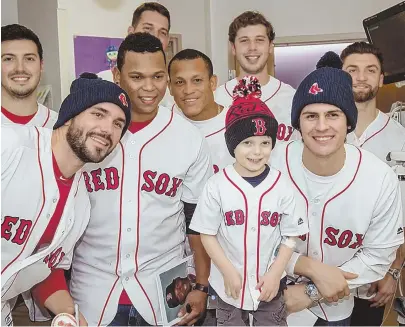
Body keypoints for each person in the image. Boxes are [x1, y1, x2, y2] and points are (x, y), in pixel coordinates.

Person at [39, 32, 212, 327]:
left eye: (158, 76)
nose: (149, 87)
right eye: (136, 76)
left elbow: (198, 221)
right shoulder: (90, 135)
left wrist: (201, 285)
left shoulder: (189, 138)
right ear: (117, 75)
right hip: (92, 291)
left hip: (162, 291)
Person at [269, 63, 404, 326]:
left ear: (348, 121)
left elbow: (377, 258)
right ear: (297, 121)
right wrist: (306, 266)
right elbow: (246, 235)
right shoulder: (271, 165)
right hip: (267, 293)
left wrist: (313, 291)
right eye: (310, 115)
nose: (321, 126)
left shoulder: (378, 178)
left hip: (334, 306)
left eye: (332, 115)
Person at [1, 73, 132, 326]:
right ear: (71, 115)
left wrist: (71, 316)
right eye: (98, 113)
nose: (107, 129)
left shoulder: (80, 201)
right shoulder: (9, 146)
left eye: (118, 124)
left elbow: (45, 271)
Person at [190, 76, 309, 326]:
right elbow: (207, 235)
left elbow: (291, 236)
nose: (257, 151)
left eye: (265, 143)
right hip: (227, 287)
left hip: (270, 287)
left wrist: (277, 272)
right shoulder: (216, 186)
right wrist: (228, 271)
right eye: (247, 143)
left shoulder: (282, 185)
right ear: (233, 144)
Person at [339, 42, 405, 326]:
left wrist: (394, 271)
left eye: (370, 70)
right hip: (323, 272)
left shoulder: (398, 136)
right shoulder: (321, 130)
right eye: (352, 70)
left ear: (381, 78)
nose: (361, 77)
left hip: (375, 277)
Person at [215, 11, 298, 150]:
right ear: (233, 48)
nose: (252, 47)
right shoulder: (217, 98)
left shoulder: (292, 98)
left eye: (259, 40)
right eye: (244, 41)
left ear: (270, 46)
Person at [97, 2, 174, 108]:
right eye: (147, 28)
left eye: (163, 32)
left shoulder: (172, 90)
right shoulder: (100, 82)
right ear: (131, 32)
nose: (155, 36)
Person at [168, 48, 233, 173]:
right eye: (180, 82)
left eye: (197, 80)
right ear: (170, 88)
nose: (188, 90)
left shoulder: (237, 123)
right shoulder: (163, 123)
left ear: (212, 83)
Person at [1, 24, 57, 127]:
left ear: (41, 66)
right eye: (8, 59)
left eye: (29, 59)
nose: (20, 68)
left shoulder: (60, 127)